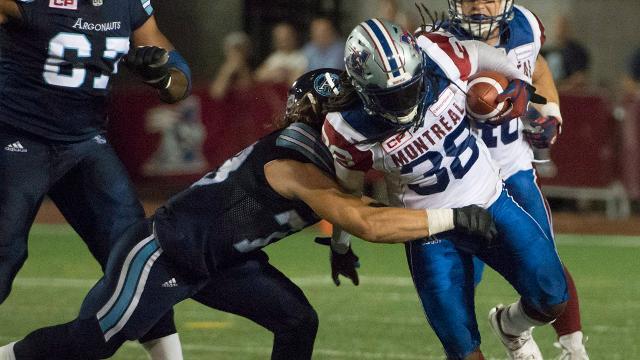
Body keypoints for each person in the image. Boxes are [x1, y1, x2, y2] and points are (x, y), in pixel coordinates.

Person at [0, 68, 499, 360]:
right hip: (168, 252)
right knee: (92, 342)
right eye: (342, 111)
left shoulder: (331, 158)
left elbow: (354, 207)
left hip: (227, 262)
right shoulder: (293, 162)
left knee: (297, 320)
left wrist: (341, 246)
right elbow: (364, 219)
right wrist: (452, 218)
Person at [323, 18, 568, 360]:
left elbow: (489, 57)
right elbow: (347, 199)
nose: (407, 99)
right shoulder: (349, 127)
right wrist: (340, 245)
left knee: (553, 296)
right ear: (364, 90)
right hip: (431, 232)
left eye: (411, 86)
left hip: (491, 202)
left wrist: (520, 82)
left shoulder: (437, 55)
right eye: (392, 97)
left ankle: (509, 325)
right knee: (463, 349)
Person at [0, 0, 192, 358]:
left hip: (85, 144)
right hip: (18, 137)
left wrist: (162, 75)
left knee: (138, 258)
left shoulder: (127, 5)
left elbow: (180, 81)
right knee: (4, 251)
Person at [445, 1, 589, 358]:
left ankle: (564, 345)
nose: (478, 5)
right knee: (461, 279)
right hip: (464, 181)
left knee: (547, 261)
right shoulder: (437, 45)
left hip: (513, 168)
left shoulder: (525, 25)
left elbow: (537, 68)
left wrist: (551, 112)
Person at [542, 15, 591, 93]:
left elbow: (579, 79)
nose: (560, 30)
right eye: (558, 27)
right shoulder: (545, 52)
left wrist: (561, 86)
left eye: (564, 27)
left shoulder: (578, 53)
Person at [209, 31, 254, 100]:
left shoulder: (251, 68)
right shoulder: (225, 69)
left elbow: (249, 90)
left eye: (240, 49)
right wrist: (228, 72)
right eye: (233, 49)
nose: (236, 53)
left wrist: (242, 70)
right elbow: (217, 93)